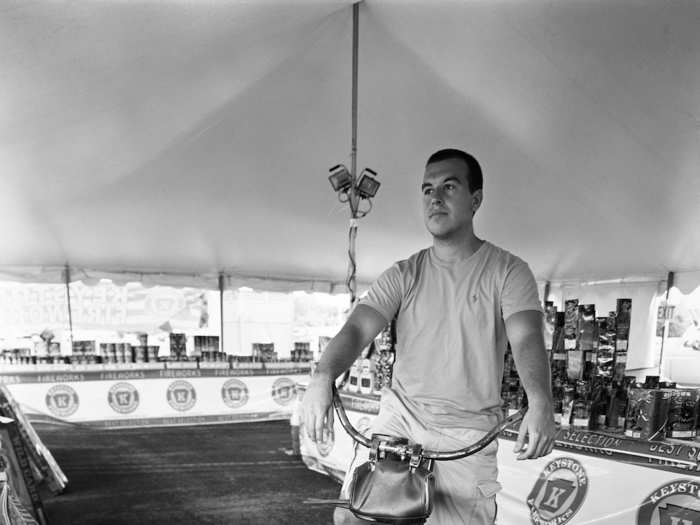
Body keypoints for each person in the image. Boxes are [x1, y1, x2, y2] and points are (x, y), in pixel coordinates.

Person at [301, 148, 556, 524]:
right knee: (353, 519)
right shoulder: (404, 273)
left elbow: (526, 338)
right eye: (427, 189)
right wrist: (322, 376)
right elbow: (357, 328)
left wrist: (541, 402)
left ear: (476, 199)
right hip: (399, 424)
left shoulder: (508, 271)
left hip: (466, 436)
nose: (434, 198)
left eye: (449, 186)